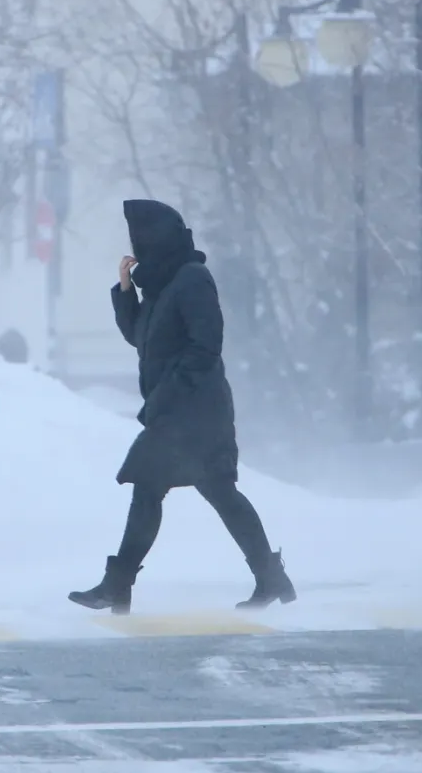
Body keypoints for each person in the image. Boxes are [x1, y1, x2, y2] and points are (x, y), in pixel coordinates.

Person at [69, 199, 295, 615]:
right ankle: (270, 577)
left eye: (141, 237)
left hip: (196, 413)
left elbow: (206, 345)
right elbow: (138, 337)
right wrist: (125, 290)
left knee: (161, 489)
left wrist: (169, 394)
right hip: (175, 412)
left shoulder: (192, 279)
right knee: (200, 493)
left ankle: (117, 586)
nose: (136, 245)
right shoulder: (159, 287)